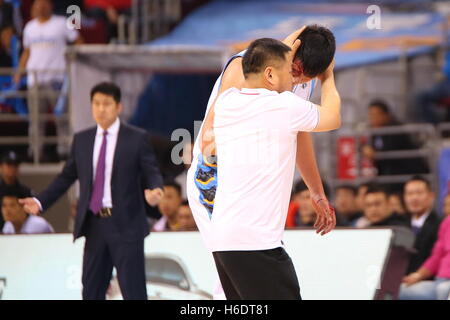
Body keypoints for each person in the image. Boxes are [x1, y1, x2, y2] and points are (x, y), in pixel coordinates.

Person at [193, 37, 339, 300]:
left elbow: (207, 142)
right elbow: (333, 116)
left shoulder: (228, 101)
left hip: (223, 235)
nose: (295, 82)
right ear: (271, 73)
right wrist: (327, 76)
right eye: (290, 73)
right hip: (256, 241)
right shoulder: (283, 105)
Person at [19, 82, 164, 300]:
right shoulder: (82, 140)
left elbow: (151, 169)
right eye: (96, 103)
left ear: (119, 107)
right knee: (91, 292)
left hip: (126, 225)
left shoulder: (136, 138)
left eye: (106, 104)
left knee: (134, 292)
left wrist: (155, 189)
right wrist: (40, 202)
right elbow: (66, 176)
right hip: (94, 225)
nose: (101, 109)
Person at [14, 0, 83, 161]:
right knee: (36, 120)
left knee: (62, 118)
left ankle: (64, 152)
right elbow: (27, 51)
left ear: (50, 6)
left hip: (57, 78)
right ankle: (35, 152)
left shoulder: (61, 23)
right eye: (37, 5)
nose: (40, 8)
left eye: (44, 4)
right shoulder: (29, 27)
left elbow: (78, 41)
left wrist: (73, 63)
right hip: (35, 80)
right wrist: (19, 71)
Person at [362, 100, 429, 177]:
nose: (373, 118)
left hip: (407, 172)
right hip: (389, 174)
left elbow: (388, 151)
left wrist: (375, 153)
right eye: (370, 115)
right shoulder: (374, 131)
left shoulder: (396, 129)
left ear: (386, 115)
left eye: (376, 115)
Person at [399, 215, 450, 300]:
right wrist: (418, 275)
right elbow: (436, 256)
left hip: (444, 287)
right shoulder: (447, 222)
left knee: (443, 289)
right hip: (439, 282)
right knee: (401, 290)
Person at [403, 176, 442, 274]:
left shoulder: (440, 224)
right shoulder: (400, 225)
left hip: (429, 279)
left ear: (431, 196)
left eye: (419, 193)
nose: (414, 198)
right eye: (410, 194)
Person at [0, 150, 33, 230]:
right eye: (9, 165)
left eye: (15, 165)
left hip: (21, 233)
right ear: (1, 167)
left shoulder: (26, 192)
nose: (12, 169)